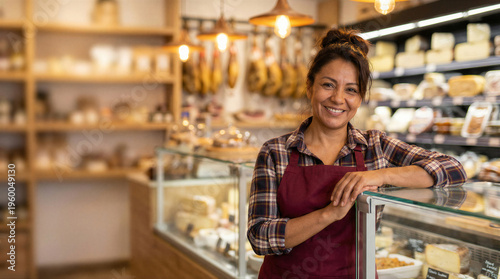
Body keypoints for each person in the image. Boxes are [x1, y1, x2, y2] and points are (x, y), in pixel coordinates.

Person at [246, 28, 467, 279]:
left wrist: (377, 176)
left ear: (360, 97)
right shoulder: (276, 152)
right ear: (310, 87)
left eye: (351, 89)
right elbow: (259, 237)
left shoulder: (375, 146)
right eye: (328, 85)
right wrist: (329, 213)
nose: (338, 98)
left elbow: (453, 168)